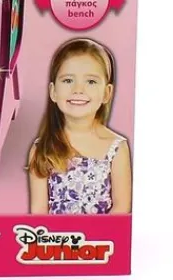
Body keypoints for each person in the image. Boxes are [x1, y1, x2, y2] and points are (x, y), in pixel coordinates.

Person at [27, 38, 131, 214]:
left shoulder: (117, 148)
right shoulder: (42, 148)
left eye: (91, 82)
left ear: (107, 93)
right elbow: (38, 212)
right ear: (53, 91)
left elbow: (121, 208)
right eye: (68, 80)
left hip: (102, 233)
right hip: (55, 233)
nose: (78, 89)